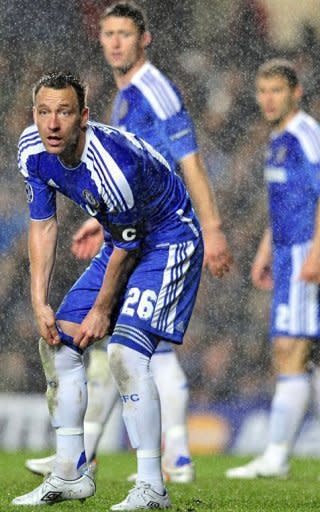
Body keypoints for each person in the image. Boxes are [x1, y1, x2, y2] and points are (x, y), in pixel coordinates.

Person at [25, 0, 233, 484]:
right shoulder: (123, 100)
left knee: (137, 350)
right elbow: (124, 174)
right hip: (131, 225)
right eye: (108, 33)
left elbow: (190, 160)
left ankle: (170, 455)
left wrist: (215, 227)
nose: (116, 42)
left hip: (162, 232)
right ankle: (89, 454)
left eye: (125, 33)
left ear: (145, 40)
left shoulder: (155, 91)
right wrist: (101, 221)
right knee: (117, 349)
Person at [13, 70, 204, 510]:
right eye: (44, 112)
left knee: (125, 354)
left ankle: (153, 486)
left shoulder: (112, 164)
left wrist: (102, 308)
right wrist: (39, 300)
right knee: (57, 347)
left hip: (168, 237)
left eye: (64, 112)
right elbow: (43, 224)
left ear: (83, 116)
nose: (53, 123)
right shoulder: (31, 149)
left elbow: (129, 245)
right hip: (122, 235)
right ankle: (68, 474)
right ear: (34, 114)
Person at [225, 59, 320, 482]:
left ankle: (276, 455)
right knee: (300, 359)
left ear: (296, 92)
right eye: (262, 90)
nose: (267, 98)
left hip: (308, 253)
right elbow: (283, 207)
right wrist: (264, 251)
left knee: (290, 353)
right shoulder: (278, 139)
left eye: (276, 90)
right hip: (288, 253)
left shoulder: (308, 134)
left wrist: (315, 253)